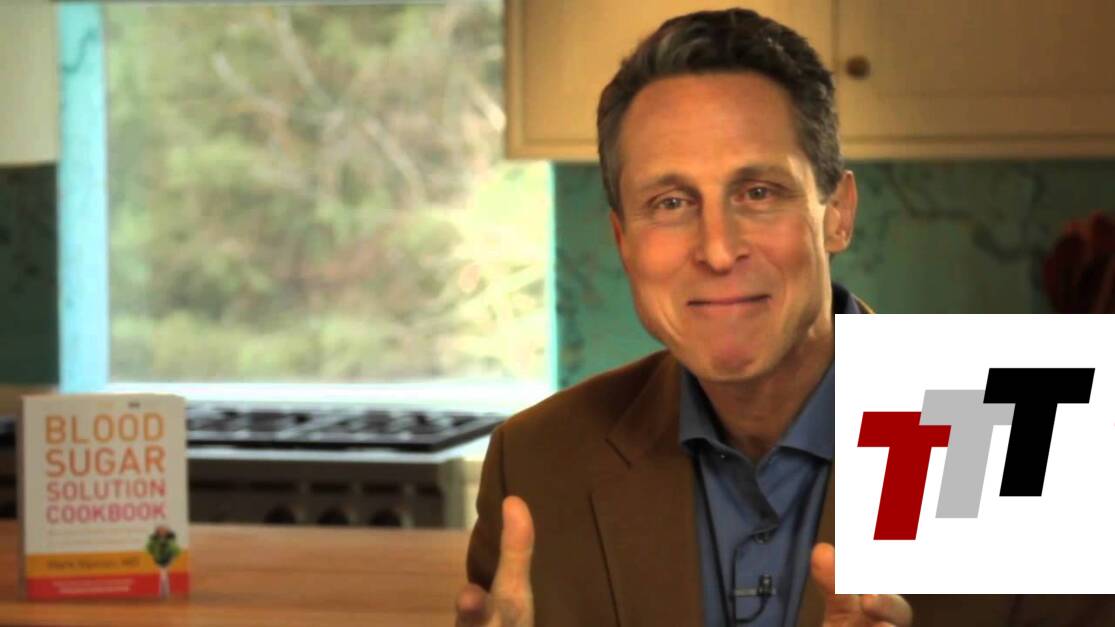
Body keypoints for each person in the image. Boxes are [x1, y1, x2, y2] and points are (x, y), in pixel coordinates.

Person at [455, 8, 1115, 627]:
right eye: (670, 202)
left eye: (758, 192)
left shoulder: (1035, 425)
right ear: (624, 241)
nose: (718, 250)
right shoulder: (536, 462)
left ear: (837, 214)